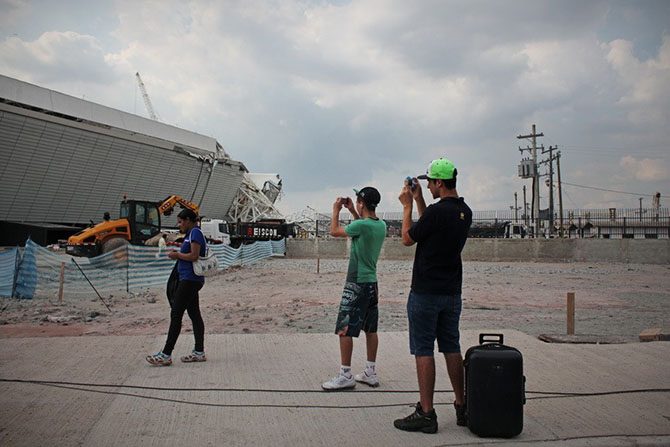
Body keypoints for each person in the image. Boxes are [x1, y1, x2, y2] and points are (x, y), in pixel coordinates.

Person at [394, 158, 472, 433]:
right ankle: (462, 406)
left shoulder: (437, 213)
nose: (426, 186)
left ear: (439, 182)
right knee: (452, 346)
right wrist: (419, 202)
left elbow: (408, 237)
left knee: (423, 349)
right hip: (452, 292)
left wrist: (406, 206)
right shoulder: (464, 211)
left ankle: (426, 413)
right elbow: (431, 224)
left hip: (426, 292)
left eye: (429, 182)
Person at [321, 187, 387, 391]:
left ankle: (345, 374)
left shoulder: (362, 225)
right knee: (370, 328)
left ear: (361, 203)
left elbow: (334, 231)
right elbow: (362, 225)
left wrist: (335, 210)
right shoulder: (380, 225)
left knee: (345, 328)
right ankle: (370, 371)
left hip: (356, 282)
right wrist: (352, 211)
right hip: (371, 283)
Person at [146, 209, 208, 366]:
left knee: (176, 314)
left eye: (181, 222)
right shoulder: (191, 234)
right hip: (188, 279)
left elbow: (194, 256)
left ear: (188, 220)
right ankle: (199, 352)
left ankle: (166, 354)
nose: (179, 225)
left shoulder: (195, 233)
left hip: (190, 280)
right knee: (194, 314)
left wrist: (177, 255)